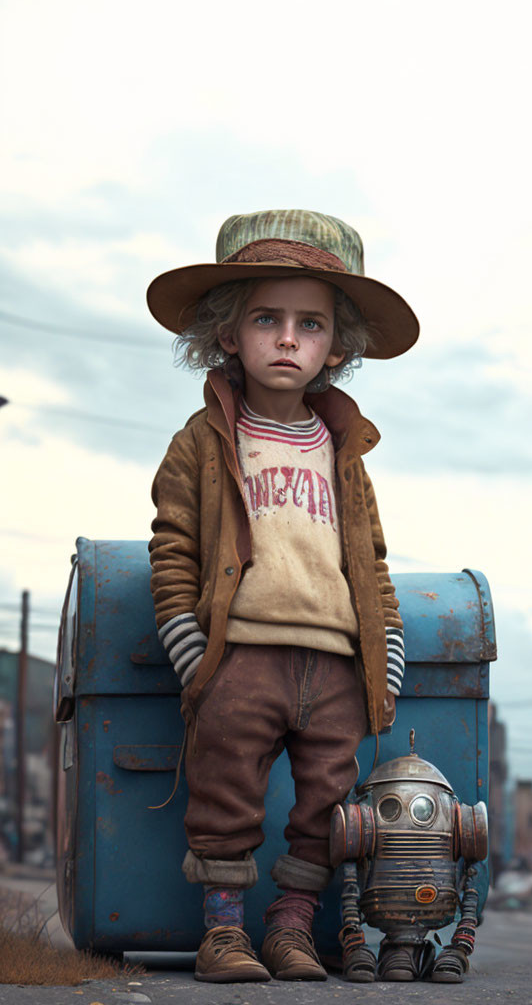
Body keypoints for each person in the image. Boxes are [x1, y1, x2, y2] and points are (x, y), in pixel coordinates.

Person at [146, 209, 419, 983]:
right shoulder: (203, 441)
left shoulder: (343, 448)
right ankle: (223, 933)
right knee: (224, 789)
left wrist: (387, 647)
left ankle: (292, 929)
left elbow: (367, 559)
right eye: (268, 319)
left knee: (326, 806)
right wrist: (189, 645)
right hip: (243, 654)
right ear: (229, 334)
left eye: (311, 324)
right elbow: (174, 547)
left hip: (335, 661)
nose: (289, 338)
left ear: (338, 346)